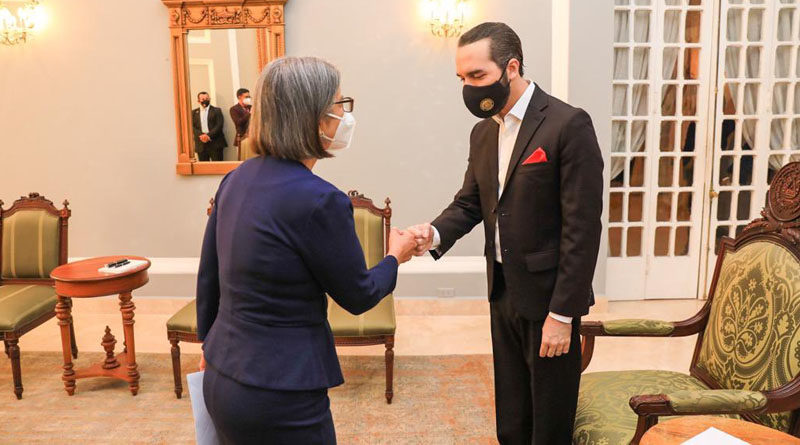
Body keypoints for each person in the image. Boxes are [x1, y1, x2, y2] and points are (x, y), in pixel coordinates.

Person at [196, 56, 418, 444]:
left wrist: (210, 347)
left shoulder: (236, 178)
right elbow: (359, 295)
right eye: (338, 105)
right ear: (314, 119)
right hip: (279, 393)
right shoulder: (320, 200)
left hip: (222, 373)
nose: (344, 116)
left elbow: (209, 276)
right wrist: (394, 256)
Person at [407, 22, 603, 444]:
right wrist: (433, 234)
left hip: (551, 300)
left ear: (511, 67)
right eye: (462, 78)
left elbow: (582, 231)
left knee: (549, 422)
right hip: (502, 290)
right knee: (512, 416)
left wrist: (563, 316)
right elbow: (470, 203)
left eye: (477, 76)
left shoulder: (568, 125)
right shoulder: (483, 132)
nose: (469, 87)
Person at [192, 92, 228, 161]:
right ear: (198, 101)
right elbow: (191, 127)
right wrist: (202, 135)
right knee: (204, 169)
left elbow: (219, 125)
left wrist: (208, 136)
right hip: (201, 144)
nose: (205, 100)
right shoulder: (193, 112)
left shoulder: (217, 110)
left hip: (215, 143)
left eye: (207, 98)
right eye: (203, 99)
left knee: (218, 168)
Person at [229, 88, 252, 160]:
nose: (248, 99)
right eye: (246, 97)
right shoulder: (234, 109)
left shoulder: (251, 107)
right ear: (239, 97)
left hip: (253, 138)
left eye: (249, 97)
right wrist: (249, 114)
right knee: (243, 159)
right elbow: (238, 122)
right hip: (242, 138)